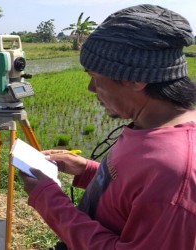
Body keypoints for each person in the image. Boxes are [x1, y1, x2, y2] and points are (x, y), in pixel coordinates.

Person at [19, 4, 196, 250]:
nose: (91, 89)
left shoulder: (177, 174)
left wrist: (47, 197)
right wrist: (86, 170)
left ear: (136, 79)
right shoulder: (146, 126)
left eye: (95, 76)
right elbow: (131, 192)